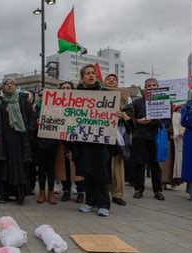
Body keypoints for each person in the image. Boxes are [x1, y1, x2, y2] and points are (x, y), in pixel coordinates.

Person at [67, 64, 112, 216]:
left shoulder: (105, 93)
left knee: (100, 172)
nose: (91, 75)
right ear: (82, 77)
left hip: (99, 140)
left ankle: (104, 204)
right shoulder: (76, 94)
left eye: (93, 73)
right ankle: (90, 201)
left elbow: (112, 114)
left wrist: (117, 115)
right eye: (87, 73)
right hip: (82, 140)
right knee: (87, 171)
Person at [0, 77, 34, 205]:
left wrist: (28, 128)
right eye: (6, 84)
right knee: (4, 166)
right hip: (3, 140)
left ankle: (20, 195)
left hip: (19, 140)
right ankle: (4, 195)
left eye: (12, 83)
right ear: (3, 86)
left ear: (15, 86)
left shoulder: (22, 101)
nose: (9, 86)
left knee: (18, 166)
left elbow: (31, 115)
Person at [131, 78, 170, 201]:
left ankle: (158, 190)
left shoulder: (164, 102)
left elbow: (168, 122)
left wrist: (158, 122)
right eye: (149, 85)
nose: (151, 87)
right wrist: (139, 121)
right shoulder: (137, 102)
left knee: (155, 165)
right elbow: (130, 119)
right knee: (139, 164)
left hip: (155, 137)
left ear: (158, 87)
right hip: (140, 137)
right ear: (145, 88)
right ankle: (138, 189)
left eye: (154, 85)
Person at [104, 74, 134, 206]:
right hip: (102, 135)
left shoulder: (125, 97)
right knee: (103, 166)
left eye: (114, 79)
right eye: (108, 79)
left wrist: (123, 115)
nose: (111, 80)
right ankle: (103, 193)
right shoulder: (98, 94)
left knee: (117, 166)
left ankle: (117, 194)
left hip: (119, 135)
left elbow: (131, 114)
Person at [55, 81, 86, 203]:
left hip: (76, 140)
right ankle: (66, 191)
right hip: (61, 140)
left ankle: (81, 192)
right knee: (63, 167)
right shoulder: (55, 105)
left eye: (68, 88)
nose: (66, 90)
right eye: (63, 88)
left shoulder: (80, 104)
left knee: (77, 167)